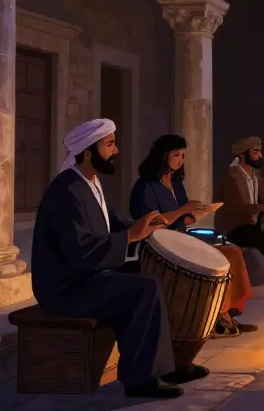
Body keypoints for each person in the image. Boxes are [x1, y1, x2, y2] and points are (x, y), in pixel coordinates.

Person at [31, 119, 207, 399]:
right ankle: (140, 379)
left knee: (156, 272)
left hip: (89, 275)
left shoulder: (93, 184)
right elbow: (80, 251)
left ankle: (170, 364)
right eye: (110, 144)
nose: (116, 150)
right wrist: (130, 236)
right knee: (143, 288)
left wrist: (147, 227)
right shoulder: (66, 191)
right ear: (89, 151)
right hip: (67, 287)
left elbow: (116, 225)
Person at [130, 134, 257, 338]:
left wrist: (202, 212)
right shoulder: (146, 185)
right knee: (213, 263)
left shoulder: (176, 183)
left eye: (183, 155)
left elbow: (184, 221)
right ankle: (219, 319)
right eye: (176, 155)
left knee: (232, 252)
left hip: (182, 241)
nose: (181, 160)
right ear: (163, 156)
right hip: (161, 250)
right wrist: (183, 210)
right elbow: (152, 222)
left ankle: (227, 313)